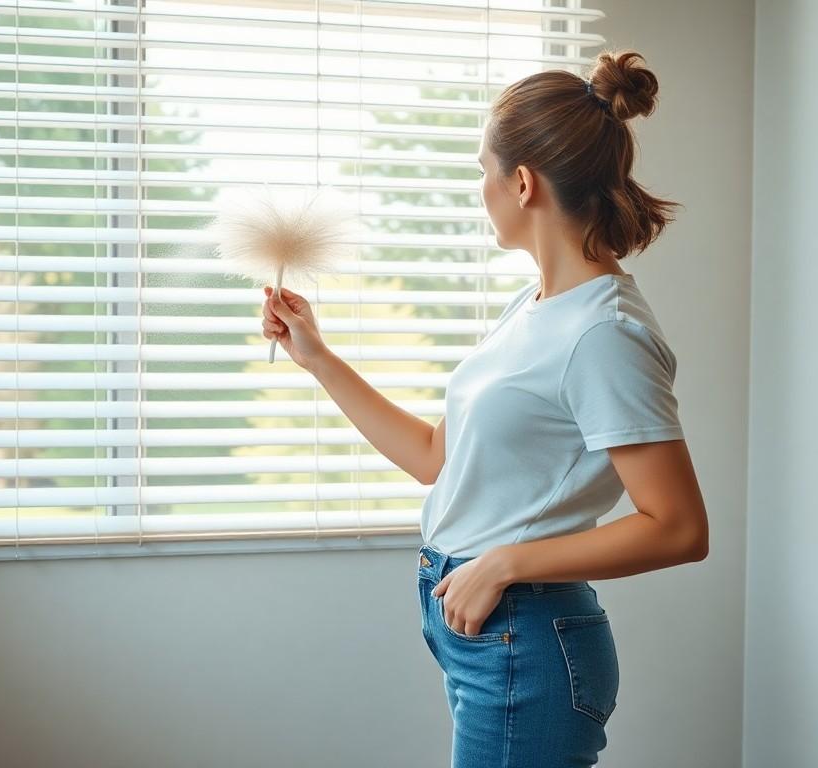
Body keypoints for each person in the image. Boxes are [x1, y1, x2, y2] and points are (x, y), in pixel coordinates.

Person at [260, 49, 709, 767]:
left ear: (522, 182)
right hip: (479, 627)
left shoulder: (604, 334)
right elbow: (436, 458)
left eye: (481, 169)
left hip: (522, 635)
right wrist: (319, 357)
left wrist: (502, 564)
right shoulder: (534, 308)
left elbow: (680, 528)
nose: (481, 187)